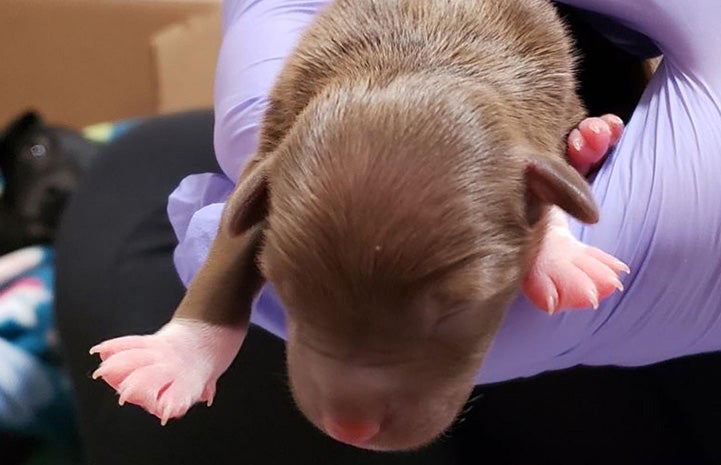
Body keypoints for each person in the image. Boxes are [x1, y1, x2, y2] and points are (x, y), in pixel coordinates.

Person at [54, 1, 721, 464]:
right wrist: (196, 330)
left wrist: (551, 234)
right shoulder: (292, 127)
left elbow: (538, 143)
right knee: (133, 176)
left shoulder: (532, 91)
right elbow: (256, 208)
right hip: (394, 85)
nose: (351, 418)